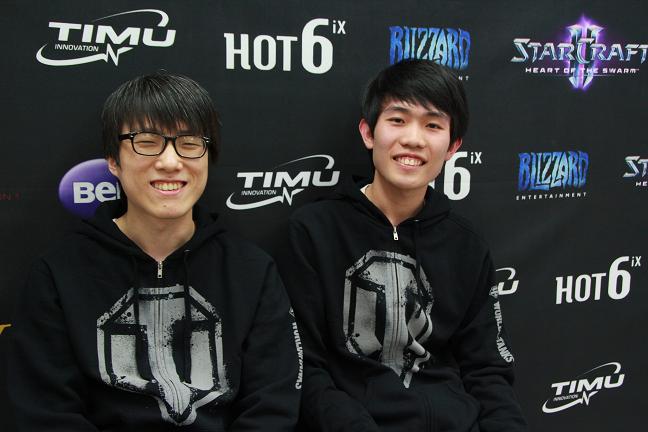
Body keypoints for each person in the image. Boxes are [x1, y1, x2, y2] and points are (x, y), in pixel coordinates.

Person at [8, 73, 300, 431]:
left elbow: (273, 405)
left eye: (189, 143)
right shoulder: (59, 275)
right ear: (113, 160)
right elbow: (45, 412)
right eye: (147, 142)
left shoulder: (251, 271)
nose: (170, 161)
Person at [278, 59, 527, 431]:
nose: (413, 139)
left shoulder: (467, 246)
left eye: (432, 125)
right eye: (397, 119)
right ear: (368, 132)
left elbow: (487, 369)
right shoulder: (313, 232)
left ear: (453, 146)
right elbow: (305, 366)